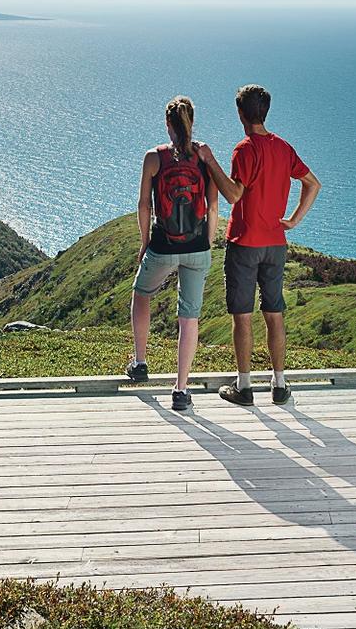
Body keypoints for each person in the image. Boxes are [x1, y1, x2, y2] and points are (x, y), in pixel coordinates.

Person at [212, 84, 321, 406]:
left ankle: (244, 387)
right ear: (265, 112)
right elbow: (313, 184)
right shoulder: (284, 148)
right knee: (275, 313)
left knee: (242, 316)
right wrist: (294, 220)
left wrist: (210, 163)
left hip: (244, 242)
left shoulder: (243, 149)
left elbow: (234, 195)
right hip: (276, 243)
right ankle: (279, 384)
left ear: (240, 113)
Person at [127, 95, 235, 411]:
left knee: (141, 292)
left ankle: (141, 361)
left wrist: (145, 241)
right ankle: (181, 389)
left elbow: (144, 205)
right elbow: (214, 206)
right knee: (189, 317)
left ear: (167, 124)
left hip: (163, 245)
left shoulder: (153, 157)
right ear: (193, 121)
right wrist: (209, 239)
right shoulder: (204, 156)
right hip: (197, 247)